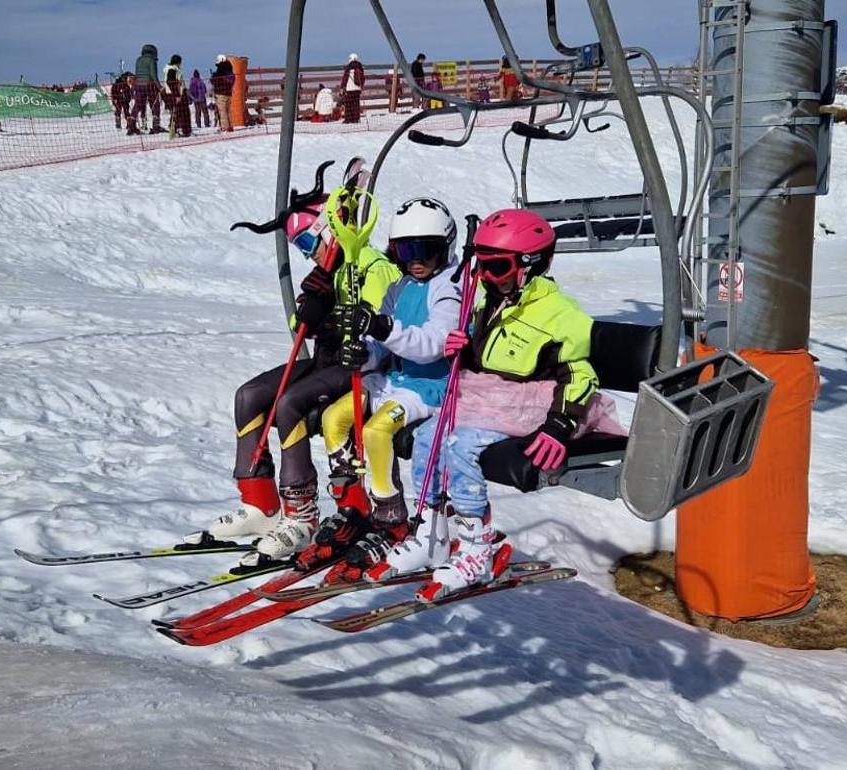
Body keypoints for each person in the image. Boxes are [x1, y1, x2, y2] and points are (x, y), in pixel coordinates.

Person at [373, 208, 615, 601]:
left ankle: (477, 549)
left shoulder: (560, 314)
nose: (486, 276)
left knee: (459, 444)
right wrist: (464, 347)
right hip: (487, 396)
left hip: (531, 403)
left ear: (531, 264)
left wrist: (559, 425)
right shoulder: (488, 299)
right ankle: (432, 534)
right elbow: (487, 354)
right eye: (482, 266)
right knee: (428, 435)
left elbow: (578, 374)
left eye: (498, 266)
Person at [203, 164, 402, 566]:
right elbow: (301, 326)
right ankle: (259, 503)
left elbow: (383, 329)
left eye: (310, 240)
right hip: (324, 360)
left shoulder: (371, 267)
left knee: (290, 402)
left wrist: (334, 318)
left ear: (332, 229)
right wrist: (313, 306)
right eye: (300, 246)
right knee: (250, 395)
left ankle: (302, 514)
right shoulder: (328, 272)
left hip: (359, 366)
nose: (309, 252)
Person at [311, 197, 462, 577]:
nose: (416, 260)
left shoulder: (449, 288)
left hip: (429, 386)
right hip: (394, 379)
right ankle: (353, 505)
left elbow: (433, 344)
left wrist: (382, 327)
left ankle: (390, 519)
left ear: (446, 247)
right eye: (405, 251)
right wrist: (363, 352)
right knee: (334, 418)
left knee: (376, 431)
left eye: (426, 250)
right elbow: (382, 345)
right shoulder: (400, 286)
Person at [128, 43, 163, 135]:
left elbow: (137, 74)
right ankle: (156, 126)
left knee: (138, 105)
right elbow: (153, 75)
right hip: (149, 84)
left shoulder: (138, 60)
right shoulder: (152, 60)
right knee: (155, 104)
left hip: (138, 85)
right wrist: (159, 87)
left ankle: (131, 126)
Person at [163, 54, 191, 137]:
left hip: (176, 94)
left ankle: (181, 130)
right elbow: (170, 82)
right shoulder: (172, 70)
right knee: (181, 113)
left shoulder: (173, 69)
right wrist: (177, 95)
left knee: (178, 113)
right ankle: (180, 130)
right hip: (176, 94)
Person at [210, 54, 235, 133]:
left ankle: (225, 127)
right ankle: (230, 126)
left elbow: (214, 80)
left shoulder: (220, 70)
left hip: (220, 93)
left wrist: (213, 77)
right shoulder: (230, 69)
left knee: (222, 111)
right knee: (228, 111)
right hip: (229, 93)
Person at [340, 53, 364, 124]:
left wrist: (342, 87)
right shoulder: (360, 67)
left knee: (349, 104)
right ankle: (356, 118)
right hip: (357, 89)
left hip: (350, 88)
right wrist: (361, 86)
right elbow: (363, 78)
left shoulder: (348, 67)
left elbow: (345, 79)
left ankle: (348, 119)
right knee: (356, 104)